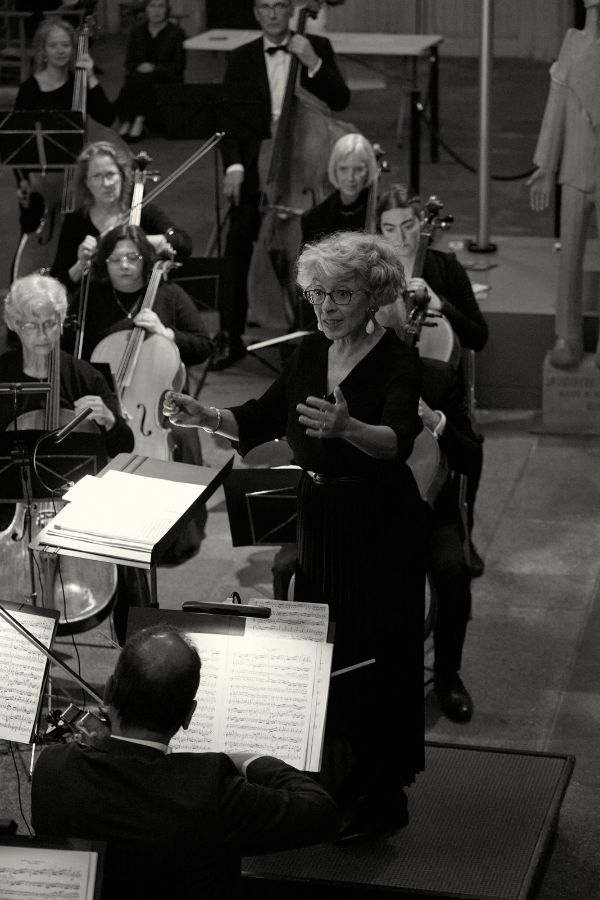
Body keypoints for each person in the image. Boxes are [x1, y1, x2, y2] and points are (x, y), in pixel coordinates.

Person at [164, 231, 426, 840]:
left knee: (374, 654)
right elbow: (259, 416)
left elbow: (398, 440)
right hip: (321, 515)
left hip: (378, 522)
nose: (327, 307)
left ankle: (384, 795)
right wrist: (209, 417)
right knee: (323, 651)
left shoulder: (397, 358)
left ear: (372, 296)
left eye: (342, 294)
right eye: (317, 295)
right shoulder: (309, 350)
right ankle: (335, 775)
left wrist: (348, 426)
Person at [31, 624, 340, 900]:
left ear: (109, 691)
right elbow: (321, 812)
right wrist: (250, 760)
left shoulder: (53, 767)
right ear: (189, 715)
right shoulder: (209, 788)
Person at [65, 223, 213, 568]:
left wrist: (166, 333)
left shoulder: (169, 294)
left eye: (132, 257)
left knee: (180, 438)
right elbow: (71, 353)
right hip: (111, 405)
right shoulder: (91, 298)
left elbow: (204, 345)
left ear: (145, 260)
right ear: (104, 263)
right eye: (116, 259)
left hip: (162, 410)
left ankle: (175, 536)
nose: (125, 265)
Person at [213, 0, 351, 370]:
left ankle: (308, 335)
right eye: (265, 7)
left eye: (279, 6)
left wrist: (312, 63)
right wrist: (236, 166)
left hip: (302, 168)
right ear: (255, 13)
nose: (273, 13)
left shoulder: (315, 47)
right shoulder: (241, 57)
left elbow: (340, 100)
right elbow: (229, 117)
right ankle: (230, 337)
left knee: (311, 254)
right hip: (258, 166)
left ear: (291, 10)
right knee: (237, 246)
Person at [0, 274, 135, 629]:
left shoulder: (85, 377)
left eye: (52, 323)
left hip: (74, 506)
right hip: (10, 509)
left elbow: (124, 447)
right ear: (14, 323)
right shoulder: (2, 376)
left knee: (132, 553)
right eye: (32, 324)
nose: (43, 333)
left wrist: (109, 421)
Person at [376, 184, 488, 577]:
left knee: (469, 446)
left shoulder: (444, 267)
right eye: (390, 229)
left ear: (422, 224)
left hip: (439, 387)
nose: (403, 238)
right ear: (378, 232)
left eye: (409, 225)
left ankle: (461, 530)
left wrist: (439, 303)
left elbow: (478, 336)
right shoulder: (371, 272)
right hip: (384, 383)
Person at [527, 0, 600, 368]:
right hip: (575, 171)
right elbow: (555, 112)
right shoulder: (572, 45)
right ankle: (568, 335)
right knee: (569, 256)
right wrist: (545, 166)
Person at [14, 17, 116, 236]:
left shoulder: (79, 83)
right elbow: (17, 141)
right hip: (41, 182)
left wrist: (91, 77)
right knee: (34, 230)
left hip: (79, 177)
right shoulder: (29, 89)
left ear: (74, 48)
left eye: (66, 45)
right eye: (53, 45)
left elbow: (107, 117)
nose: (60, 51)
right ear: (43, 50)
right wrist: (22, 181)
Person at [50, 140, 192, 291]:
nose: (106, 183)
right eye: (97, 176)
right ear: (86, 182)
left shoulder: (142, 211)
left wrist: (141, 241)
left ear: (122, 176)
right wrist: (80, 265)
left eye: (110, 174)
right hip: (95, 305)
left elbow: (183, 243)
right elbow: (57, 283)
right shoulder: (75, 222)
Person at [117, 0, 186, 142]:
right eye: (152, 6)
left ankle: (137, 120)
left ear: (167, 10)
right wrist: (138, 68)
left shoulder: (177, 33)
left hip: (166, 78)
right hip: (139, 77)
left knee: (144, 79)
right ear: (146, 9)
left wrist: (155, 68)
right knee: (135, 78)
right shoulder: (137, 32)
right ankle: (129, 121)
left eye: (161, 6)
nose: (156, 11)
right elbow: (129, 62)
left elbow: (179, 65)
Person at [300, 132, 378, 246]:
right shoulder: (313, 218)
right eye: (343, 169)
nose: (350, 177)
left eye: (358, 169)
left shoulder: (381, 214)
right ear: (334, 169)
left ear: (369, 171)